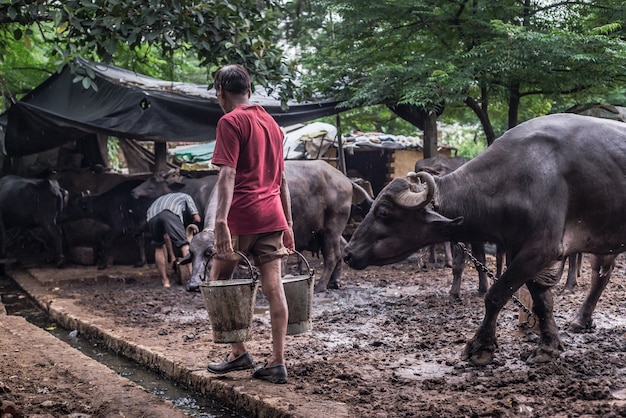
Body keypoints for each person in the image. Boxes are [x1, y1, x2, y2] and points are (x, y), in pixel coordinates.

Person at [205, 64, 295, 384]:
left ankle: (238, 351)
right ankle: (277, 361)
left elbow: (227, 174)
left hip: (242, 215)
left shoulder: (230, 121)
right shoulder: (273, 124)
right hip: (273, 215)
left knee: (218, 280)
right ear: (250, 89)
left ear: (221, 92)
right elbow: (282, 179)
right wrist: (288, 223)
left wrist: (220, 221)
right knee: (274, 286)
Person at [146, 192, 201, 288]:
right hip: (169, 212)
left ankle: (165, 281)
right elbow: (197, 218)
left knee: (158, 247)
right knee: (184, 245)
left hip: (151, 216)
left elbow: (167, 236)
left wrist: (172, 257)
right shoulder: (186, 196)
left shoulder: (161, 198)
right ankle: (194, 279)